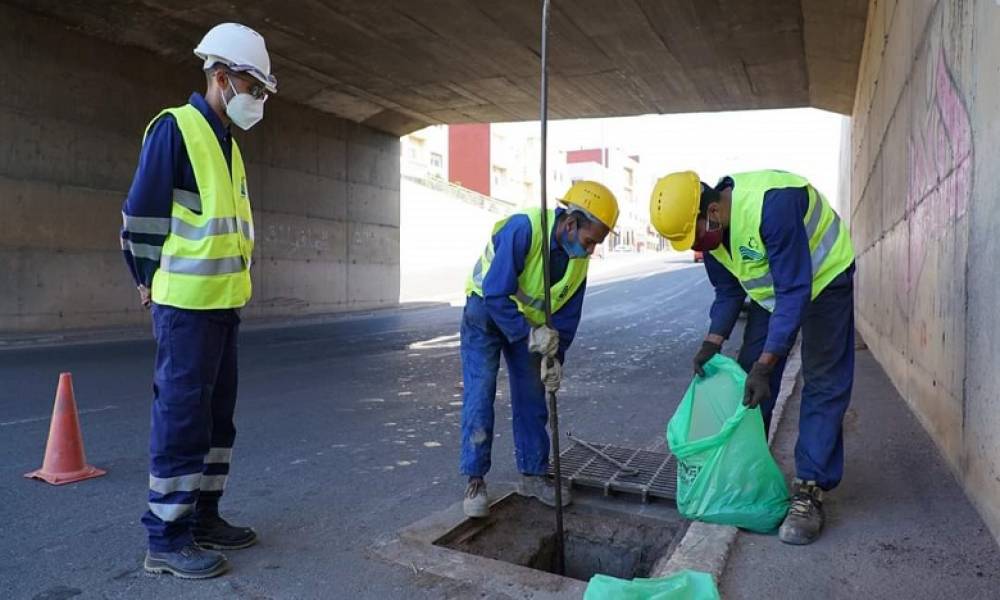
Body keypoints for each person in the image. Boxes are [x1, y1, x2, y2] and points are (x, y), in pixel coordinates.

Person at [120, 22, 277, 579]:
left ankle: (204, 517)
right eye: (252, 87)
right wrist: (145, 277)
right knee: (183, 419)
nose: (257, 99)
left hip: (221, 306)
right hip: (185, 306)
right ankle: (165, 538)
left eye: (260, 91)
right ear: (220, 77)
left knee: (216, 420)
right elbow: (140, 215)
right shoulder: (177, 129)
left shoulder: (226, 143)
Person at [650, 170, 855, 545]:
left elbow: (796, 291)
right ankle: (747, 471)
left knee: (823, 380)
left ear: (713, 210)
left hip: (824, 279)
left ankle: (809, 488)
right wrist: (712, 342)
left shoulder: (773, 205)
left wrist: (768, 362)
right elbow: (728, 294)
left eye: (694, 234)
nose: (696, 244)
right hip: (775, 292)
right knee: (749, 381)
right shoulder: (713, 238)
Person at [459, 181, 619, 517]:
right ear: (571, 223)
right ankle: (475, 480)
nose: (590, 251)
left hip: (529, 327)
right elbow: (496, 294)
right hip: (484, 315)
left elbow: (567, 317)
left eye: (596, 245)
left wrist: (554, 359)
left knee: (533, 397)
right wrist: (529, 337)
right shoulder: (524, 229)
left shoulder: (579, 262)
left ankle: (532, 475)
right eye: (590, 241)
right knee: (480, 393)